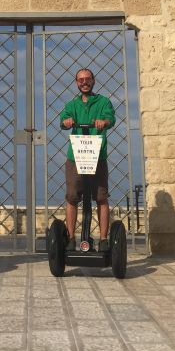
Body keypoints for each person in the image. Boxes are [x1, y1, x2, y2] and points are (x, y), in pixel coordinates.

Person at [60, 68, 115, 251]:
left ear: (93, 81)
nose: (84, 82)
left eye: (87, 79)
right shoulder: (72, 104)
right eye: (80, 80)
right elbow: (64, 119)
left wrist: (103, 122)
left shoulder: (103, 102)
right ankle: (70, 238)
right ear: (76, 82)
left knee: (101, 197)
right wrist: (67, 122)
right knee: (72, 197)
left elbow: (110, 118)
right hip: (76, 156)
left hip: (97, 155)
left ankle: (104, 239)